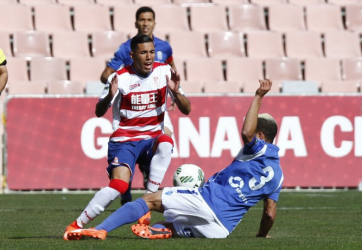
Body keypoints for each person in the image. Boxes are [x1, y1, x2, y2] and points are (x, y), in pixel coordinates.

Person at [66, 79, 284, 240]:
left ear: (261, 136)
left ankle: (101, 229)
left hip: (207, 202)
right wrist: (261, 235)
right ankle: (160, 230)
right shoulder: (279, 176)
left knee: (150, 200)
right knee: (170, 224)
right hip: (221, 229)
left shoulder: (258, 147)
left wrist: (258, 96)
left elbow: (247, 133)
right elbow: (270, 213)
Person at [63, 34, 191, 240]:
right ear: (132, 55)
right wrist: (108, 96)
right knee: (119, 186)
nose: (149, 57)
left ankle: (147, 203)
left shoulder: (165, 72)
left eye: (151, 52)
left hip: (151, 139)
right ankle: (75, 225)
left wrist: (176, 93)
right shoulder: (120, 77)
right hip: (124, 140)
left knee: (166, 142)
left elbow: (187, 109)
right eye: (143, 53)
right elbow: (98, 111)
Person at [100, 6, 177, 204]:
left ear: (154, 23)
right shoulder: (127, 48)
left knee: (164, 140)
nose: (145, 23)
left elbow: (173, 71)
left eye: (149, 20)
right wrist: (112, 89)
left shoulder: (164, 47)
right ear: (136, 23)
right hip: (133, 104)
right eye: (142, 20)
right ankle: (126, 188)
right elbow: (106, 74)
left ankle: (149, 189)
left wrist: (175, 94)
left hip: (156, 103)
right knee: (131, 146)